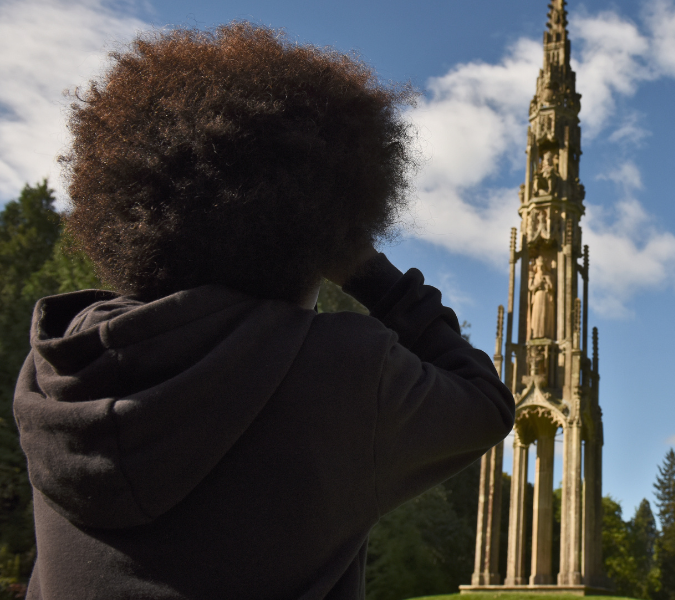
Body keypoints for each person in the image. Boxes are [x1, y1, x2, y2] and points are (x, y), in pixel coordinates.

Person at [12, 24, 515, 599]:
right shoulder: (339, 372)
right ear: (319, 232)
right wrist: (368, 269)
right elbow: (486, 404)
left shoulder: (57, 367)